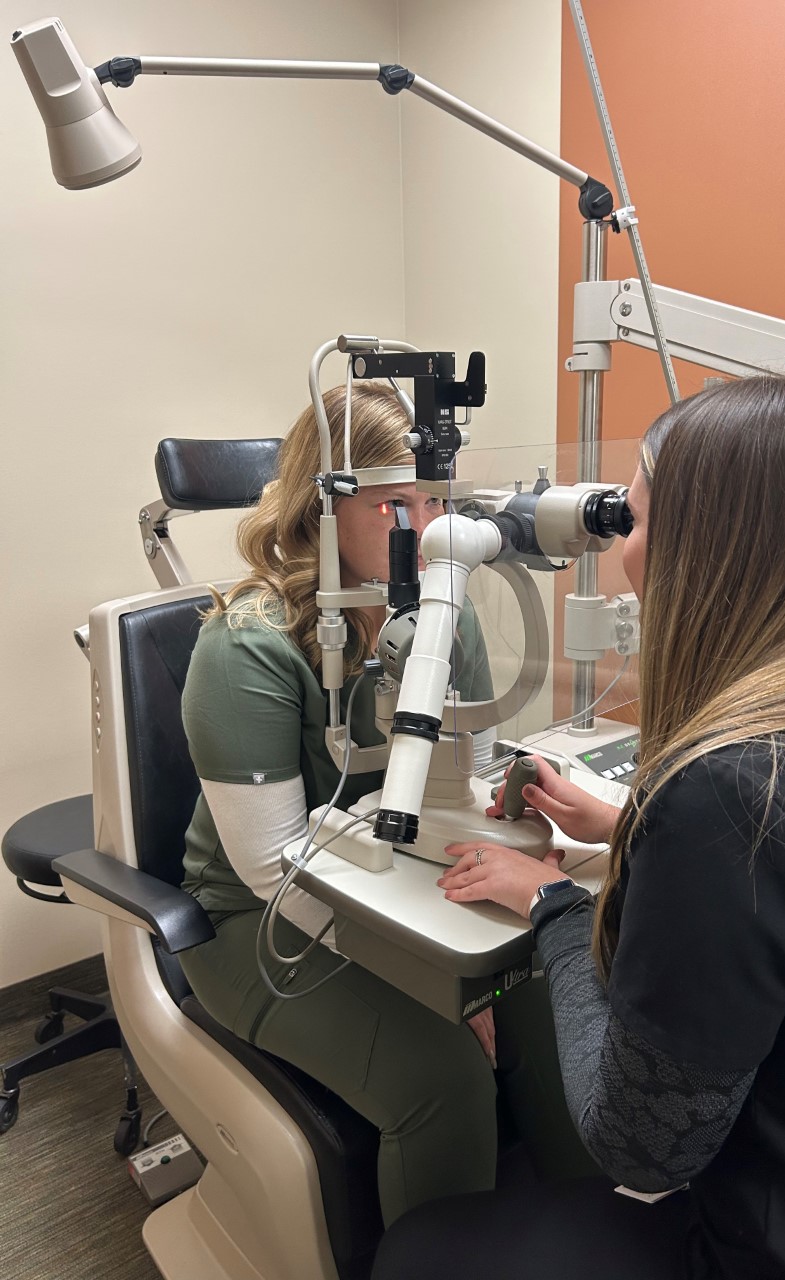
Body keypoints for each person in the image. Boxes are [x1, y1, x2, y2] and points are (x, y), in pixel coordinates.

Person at [372, 374, 785, 1279]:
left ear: (711, 554)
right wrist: (628, 823)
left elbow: (640, 1147)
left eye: (634, 526)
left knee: (420, 1251)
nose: (617, 557)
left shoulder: (733, 795)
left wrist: (559, 906)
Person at [178, 382, 594, 1229]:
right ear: (319, 509)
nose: (430, 529)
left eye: (437, 501)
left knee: (557, 1000)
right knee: (440, 1079)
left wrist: (514, 820)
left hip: (393, 879)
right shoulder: (245, 648)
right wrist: (442, 985)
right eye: (395, 504)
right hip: (260, 921)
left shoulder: (445, 609)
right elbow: (267, 869)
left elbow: (464, 782)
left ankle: (582, 1230)